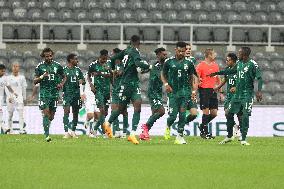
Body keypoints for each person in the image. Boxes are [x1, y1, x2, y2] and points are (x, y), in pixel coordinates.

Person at [103, 35, 152, 144]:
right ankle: (107, 123)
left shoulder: (126, 51)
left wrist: (112, 69)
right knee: (121, 109)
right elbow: (138, 63)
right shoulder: (134, 51)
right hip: (126, 84)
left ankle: (132, 134)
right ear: (139, 43)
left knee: (137, 107)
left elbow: (112, 59)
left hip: (134, 84)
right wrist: (149, 66)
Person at [209, 47, 263, 145]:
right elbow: (230, 71)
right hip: (236, 96)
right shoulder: (239, 63)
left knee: (244, 116)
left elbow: (260, 78)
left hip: (247, 95)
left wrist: (259, 91)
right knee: (228, 113)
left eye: (240, 53)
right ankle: (229, 136)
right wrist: (216, 73)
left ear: (245, 54)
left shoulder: (253, 64)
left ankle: (243, 139)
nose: (238, 54)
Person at [161, 41, 198, 144]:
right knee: (173, 116)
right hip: (173, 93)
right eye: (179, 51)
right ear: (175, 50)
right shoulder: (168, 61)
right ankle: (168, 126)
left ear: (185, 51)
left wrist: (193, 90)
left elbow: (192, 77)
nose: (181, 53)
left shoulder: (189, 63)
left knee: (182, 114)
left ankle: (179, 136)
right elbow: (163, 74)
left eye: (183, 51)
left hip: (185, 92)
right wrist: (166, 84)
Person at [34, 48, 65, 142]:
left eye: (50, 56)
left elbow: (64, 77)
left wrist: (61, 84)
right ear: (43, 57)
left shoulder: (58, 66)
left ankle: (46, 123)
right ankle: (47, 136)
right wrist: (42, 76)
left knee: (51, 116)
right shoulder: (39, 66)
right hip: (44, 93)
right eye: (47, 56)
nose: (49, 58)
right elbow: (35, 81)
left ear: (52, 55)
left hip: (54, 94)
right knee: (46, 113)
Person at [139, 47, 167, 140]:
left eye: (166, 54)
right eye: (163, 54)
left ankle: (144, 134)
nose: (165, 55)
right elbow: (160, 77)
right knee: (161, 111)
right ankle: (145, 126)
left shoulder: (164, 65)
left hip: (158, 92)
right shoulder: (156, 66)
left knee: (155, 113)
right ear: (158, 55)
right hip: (153, 92)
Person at [213, 53, 241, 144]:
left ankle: (239, 134)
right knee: (227, 113)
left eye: (228, 60)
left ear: (233, 61)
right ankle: (232, 133)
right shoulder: (227, 69)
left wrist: (237, 88)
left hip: (238, 95)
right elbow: (225, 79)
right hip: (229, 95)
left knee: (237, 114)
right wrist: (218, 87)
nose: (226, 61)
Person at [196, 48, 221, 139]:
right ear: (209, 55)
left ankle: (202, 125)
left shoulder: (215, 66)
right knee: (206, 112)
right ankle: (205, 133)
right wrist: (198, 81)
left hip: (213, 91)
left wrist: (220, 92)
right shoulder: (200, 66)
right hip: (204, 90)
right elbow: (196, 78)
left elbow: (218, 79)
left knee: (214, 113)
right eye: (214, 53)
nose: (215, 55)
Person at [88, 49, 112, 138]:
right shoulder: (93, 65)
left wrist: (103, 73)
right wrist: (91, 85)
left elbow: (111, 76)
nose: (104, 60)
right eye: (103, 59)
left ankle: (93, 130)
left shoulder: (109, 64)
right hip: (98, 91)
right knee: (101, 110)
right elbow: (88, 75)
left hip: (107, 91)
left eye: (106, 59)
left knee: (105, 113)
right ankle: (105, 133)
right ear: (100, 56)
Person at [62, 53, 85, 138]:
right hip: (67, 94)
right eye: (75, 59)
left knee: (75, 113)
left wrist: (81, 81)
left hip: (76, 95)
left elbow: (83, 80)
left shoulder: (78, 70)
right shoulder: (63, 70)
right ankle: (66, 132)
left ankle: (73, 131)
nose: (77, 61)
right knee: (66, 112)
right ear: (71, 60)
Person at [4, 62, 27, 134]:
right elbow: (6, 88)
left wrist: (24, 98)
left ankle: (21, 129)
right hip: (11, 98)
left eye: (17, 66)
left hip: (19, 98)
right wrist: (9, 97)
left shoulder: (22, 77)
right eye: (14, 66)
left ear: (19, 68)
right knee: (10, 114)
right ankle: (10, 129)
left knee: (21, 114)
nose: (15, 68)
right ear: (12, 67)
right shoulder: (8, 78)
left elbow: (24, 88)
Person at [111, 48, 129, 138]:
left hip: (123, 90)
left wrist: (117, 73)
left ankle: (125, 132)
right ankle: (117, 131)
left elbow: (121, 73)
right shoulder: (113, 64)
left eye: (113, 54)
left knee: (124, 112)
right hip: (115, 91)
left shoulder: (123, 64)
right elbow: (112, 77)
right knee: (114, 110)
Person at [0, 64, 17, 133]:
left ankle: (4, 128)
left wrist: (13, 93)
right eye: (2, 71)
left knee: (0, 113)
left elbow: (8, 87)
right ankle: (4, 128)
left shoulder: (4, 78)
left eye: (4, 71)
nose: (3, 73)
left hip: (0, 99)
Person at [82, 72, 100, 138]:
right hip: (88, 97)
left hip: (97, 97)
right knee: (91, 115)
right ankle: (87, 120)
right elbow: (81, 83)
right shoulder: (87, 74)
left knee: (98, 116)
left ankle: (92, 133)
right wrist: (82, 93)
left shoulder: (100, 73)